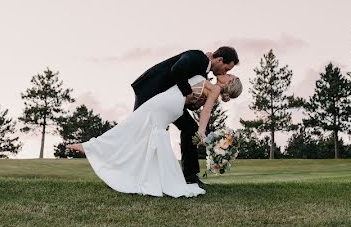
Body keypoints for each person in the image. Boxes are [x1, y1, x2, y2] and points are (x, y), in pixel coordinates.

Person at [68, 71, 243, 197]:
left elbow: (206, 112)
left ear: (230, 82)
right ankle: (140, 172)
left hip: (168, 103)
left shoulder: (214, 90)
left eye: (230, 75)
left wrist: (201, 132)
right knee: (144, 133)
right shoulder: (209, 82)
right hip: (170, 104)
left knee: (133, 125)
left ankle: (91, 147)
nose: (227, 73)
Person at [131, 47, 239, 184]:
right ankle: (131, 170)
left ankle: (190, 175)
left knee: (190, 127)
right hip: (150, 89)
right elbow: (177, 69)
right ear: (220, 60)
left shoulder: (205, 74)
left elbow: (188, 101)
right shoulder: (198, 56)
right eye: (227, 69)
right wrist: (187, 93)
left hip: (169, 100)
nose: (225, 72)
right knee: (138, 131)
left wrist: (194, 102)